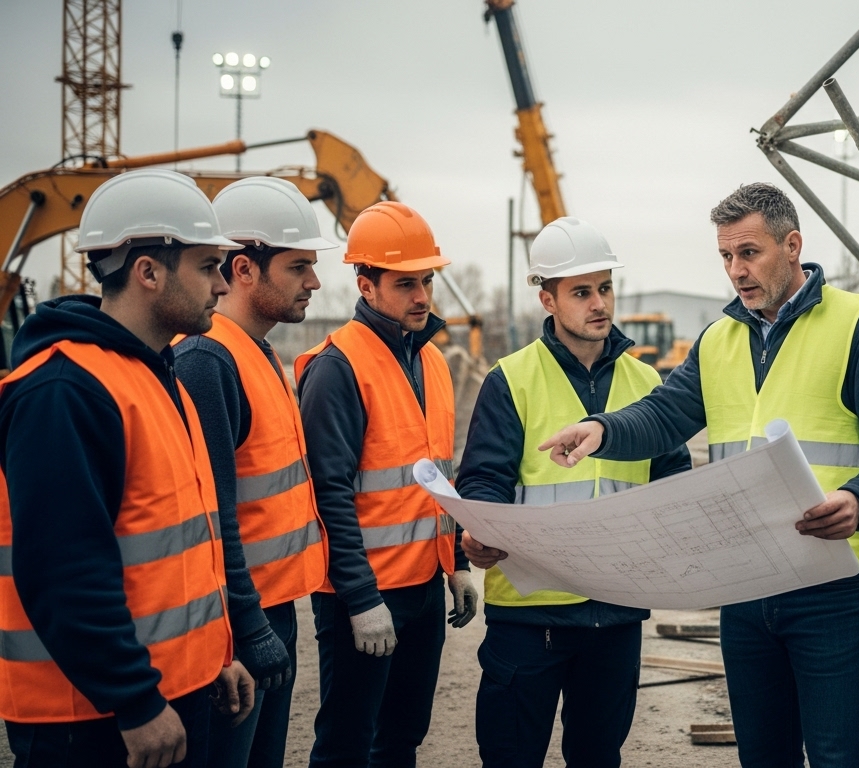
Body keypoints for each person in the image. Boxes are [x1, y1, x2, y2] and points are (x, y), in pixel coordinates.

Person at [538, 183, 859, 767]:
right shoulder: (718, 340)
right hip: (747, 590)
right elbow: (665, 413)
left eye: (749, 253)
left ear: (792, 246)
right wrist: (603, 429)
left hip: (834, 590)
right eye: (725, 256)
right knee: (762, 757)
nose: (735, 271)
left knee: (840, 757)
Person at [0, 169, 257, 767]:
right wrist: (134, 698)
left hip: (168, 692)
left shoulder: (156, 375)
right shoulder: (64, 390)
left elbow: (177, 552)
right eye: (207, 266)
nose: (221, 285)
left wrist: (212, 659)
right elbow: (64, 571)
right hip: (90, 722)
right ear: (147, 272)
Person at [456, 217, 692, 767]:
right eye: (581, 292)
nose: (599, 303)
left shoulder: (646, 383)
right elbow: (484, 478)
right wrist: (480, 531)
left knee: (598, 756)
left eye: (605, 288)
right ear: (548, 299)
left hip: (616, 613)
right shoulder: (511, 379)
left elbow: (673, 479)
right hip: (530, 616)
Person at [294, 201, 476, 767]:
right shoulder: (337, 367)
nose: (422, 296)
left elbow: (437, 476)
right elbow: (329, 494)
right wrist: (361, 599)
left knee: (401, 739)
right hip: (365, 595)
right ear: (365, 284)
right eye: (405, 283)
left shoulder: (433, 362)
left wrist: (457, 562)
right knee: (346, 745)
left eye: (427, 280)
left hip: (422, 586)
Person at [174, 177, 336, 768]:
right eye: (298, 267)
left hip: (267, 610)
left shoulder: (255, 351)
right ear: (243, 268)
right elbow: (210, 519)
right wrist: (246, 627)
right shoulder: (206, 362)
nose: (314, 282)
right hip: (234, 624)